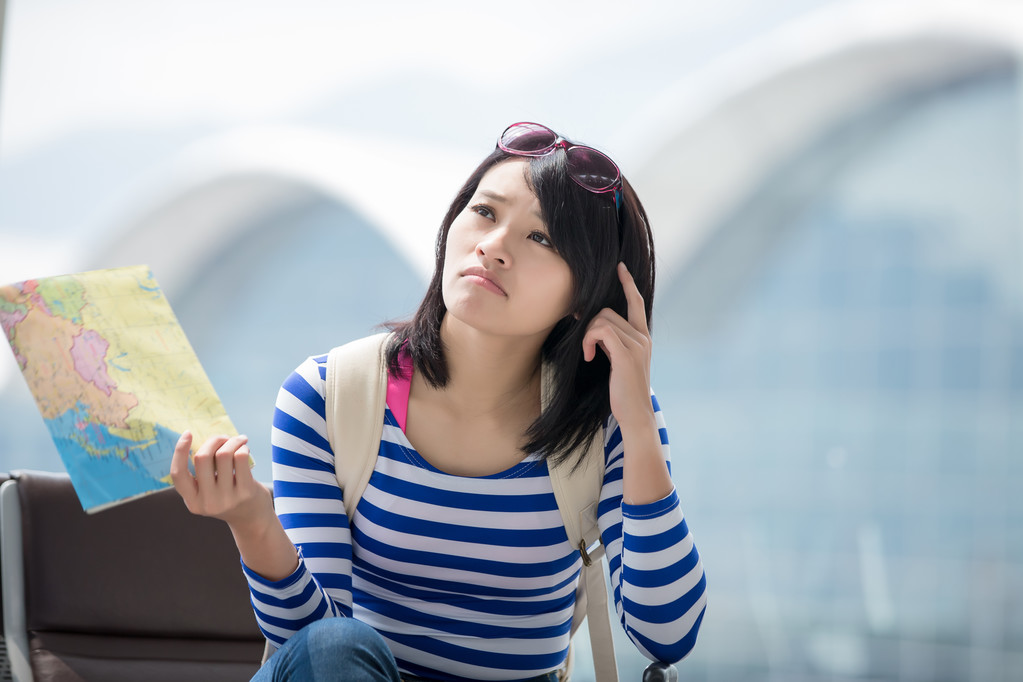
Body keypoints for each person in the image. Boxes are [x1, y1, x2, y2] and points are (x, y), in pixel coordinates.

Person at [171, 122, 707, 681]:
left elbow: (666, 634)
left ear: (586, 297)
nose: (494, 246)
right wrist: (254, 523)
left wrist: (639, 425)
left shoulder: (609, 424)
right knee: (336, 645)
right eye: (485, 213)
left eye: (541, 239)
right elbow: (310, 651)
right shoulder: (329, 397)